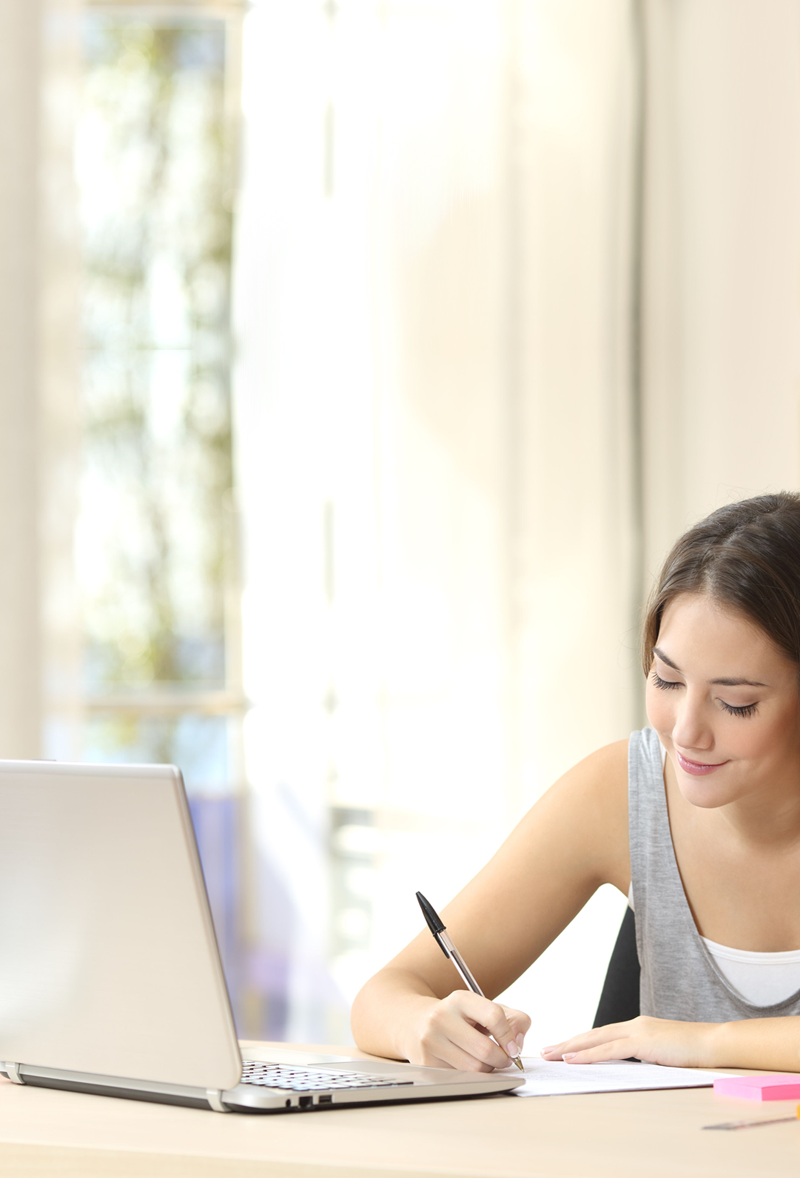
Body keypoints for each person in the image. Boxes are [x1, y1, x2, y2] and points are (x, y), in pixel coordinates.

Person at [351, 492, 800, 1073]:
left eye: (736, 703)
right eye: (667, 681)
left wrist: (699, 1044)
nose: (686, 731)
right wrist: (422, 1026)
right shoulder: (623, 791)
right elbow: (383, 995)